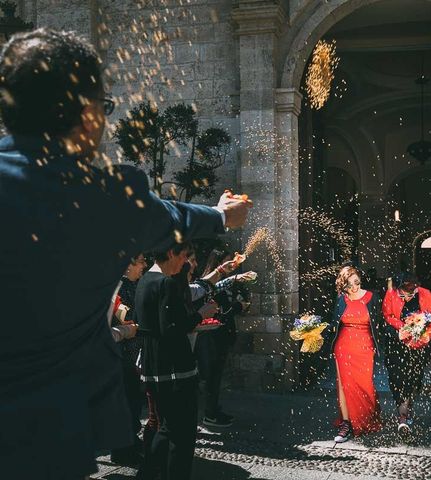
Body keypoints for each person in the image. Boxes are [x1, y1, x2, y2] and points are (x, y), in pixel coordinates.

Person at [0, 29, 251, 479]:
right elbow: (175, 216)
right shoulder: (106, 198)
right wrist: (221, 214)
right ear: (85, 113)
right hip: (49, 433)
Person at [135, 243, 220, 480]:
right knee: (181, 436)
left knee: (166, 428)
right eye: (183, 256)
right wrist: (201, 314)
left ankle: (148, 473)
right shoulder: (165, 282)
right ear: (171, 253)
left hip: (154, 367)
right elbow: (171, 328)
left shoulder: (144, 280)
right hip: (173, 369)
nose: (185, 263)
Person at [195, 249, 253, 429]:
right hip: (212, 336)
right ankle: (209, 414)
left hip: (224, 334)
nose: (232, 268)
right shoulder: (209, 284)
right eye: (228, 264)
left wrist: (242, 303)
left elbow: (233, 302)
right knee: (211, 376)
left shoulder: (229, 283)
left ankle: (213, 409)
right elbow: (218, 309)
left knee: (217, 376)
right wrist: (236, 306)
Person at [330, 266, 383, 443]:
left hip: (365, 346)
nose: (354, 288)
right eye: (349, 284)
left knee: (365, 384)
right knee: (345, 386)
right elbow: (334, 324)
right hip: (343, 346)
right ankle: (346, 423)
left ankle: (366, 418)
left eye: (356, 283)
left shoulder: (372, 297)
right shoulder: (341, 299)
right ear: (343, 285)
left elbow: (380, 324)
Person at [382, 272, 431, 432]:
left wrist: (420, 332)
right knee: (397, 379)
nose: (406, 298)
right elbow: (387, 316)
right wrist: (400, 329)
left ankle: (405, 413)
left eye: (410, 294)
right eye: (403, 294)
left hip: (418, 346)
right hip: (396, 345)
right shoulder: (391, 293)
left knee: (413, 380)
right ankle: (403, 416)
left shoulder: (425, 294)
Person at [110, 253, 148, 466]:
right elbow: (125, 317)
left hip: (132, 354)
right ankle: (123, 449)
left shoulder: (135, 285)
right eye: (141, 261)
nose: (144, 265)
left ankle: (130, 442)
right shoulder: (121, 288)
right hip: (122, 355)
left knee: (133, 402)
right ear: (128, 266)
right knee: (127, 403)